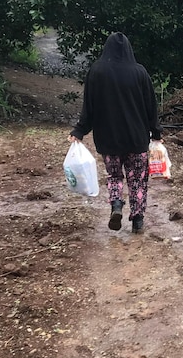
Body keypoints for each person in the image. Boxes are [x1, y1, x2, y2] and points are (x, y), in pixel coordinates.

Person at [69, 32, 162, 234]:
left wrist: (80, 130)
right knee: (137, 179)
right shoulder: (140, 73)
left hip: (108, 138)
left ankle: (116, 205)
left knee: (114, 176)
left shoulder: (97, 72)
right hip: (136, 139)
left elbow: (89, 106)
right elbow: (150, 107)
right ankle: (137, 220)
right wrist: (156, 132)